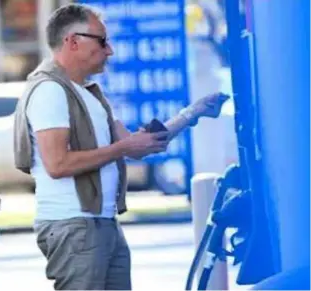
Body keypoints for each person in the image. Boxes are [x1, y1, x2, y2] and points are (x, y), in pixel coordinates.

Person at [13, 4, 229, 290]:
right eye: (102, 41)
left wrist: (192, 114)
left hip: (104, 222)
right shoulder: (50, 91)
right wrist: (123, 147)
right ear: (72, 41)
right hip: (74, 225)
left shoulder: (90, 94)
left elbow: (139, 147)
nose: (110, 50)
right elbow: (58, 165)